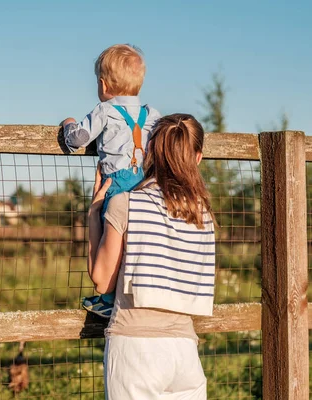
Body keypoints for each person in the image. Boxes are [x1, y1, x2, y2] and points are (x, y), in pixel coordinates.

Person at [88, 114, 216, 399]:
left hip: (136, 349)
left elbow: (102, 281)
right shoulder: (202, 215)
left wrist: (94, 214)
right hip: (184, 352)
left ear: (148, 152)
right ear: (197, 158)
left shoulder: (126, 204)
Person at [60, 44, 161, 318]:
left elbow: (78, 140)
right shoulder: (152, 114)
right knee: (136, 238)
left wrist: (68, 123)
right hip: (146, 183)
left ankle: (107, 298)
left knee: (110, 238)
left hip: (116, 182)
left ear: (103, 85)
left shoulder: (104, 110)